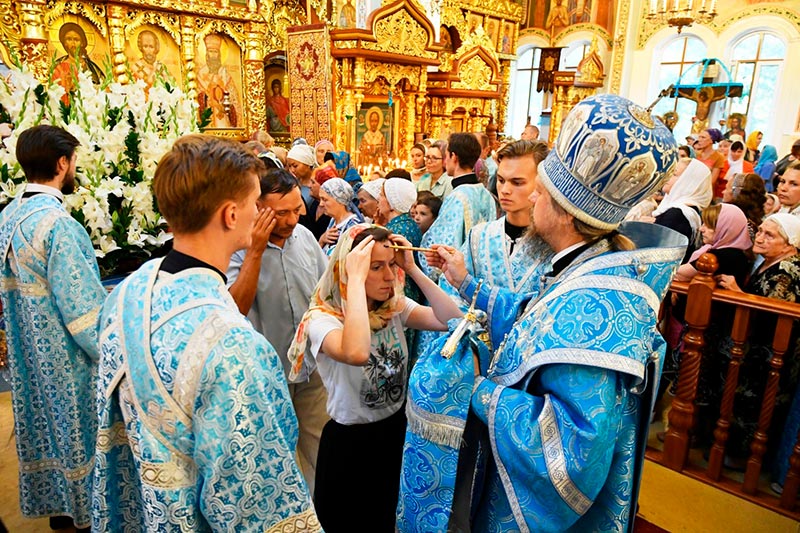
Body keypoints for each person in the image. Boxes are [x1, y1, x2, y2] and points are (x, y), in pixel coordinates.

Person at [397, 94, 686, 532]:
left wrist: (476, 389)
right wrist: (469, 284)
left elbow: (573, 456)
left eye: (541, 193)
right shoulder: (589, 268)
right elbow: (538, 318)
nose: (530, 202)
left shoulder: (595, 302)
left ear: (564, 212)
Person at [92, 135, 319, 531]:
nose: (260, 214)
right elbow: (254, 500)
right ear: (232, 214)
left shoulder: (127, 293)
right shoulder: (234, 346)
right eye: (254, 204)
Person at [286, 225, 463, 532]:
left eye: (391, 265)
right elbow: (355, 352)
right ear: (350, 269)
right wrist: (353, 280)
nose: (388, 276)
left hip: (394, 432)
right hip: (350, 446)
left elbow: (453, 321)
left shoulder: (392, 307)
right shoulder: (322, 319)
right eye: (375, 267)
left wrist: (412, 268)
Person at [0, 125, 106, 532]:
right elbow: (85, 315)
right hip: (68, 366)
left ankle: (64, 517)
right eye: (74, 159)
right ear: (63, 163)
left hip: (29, 362)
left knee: (51, 441)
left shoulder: (9, 216)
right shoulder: (58, 226)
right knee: (81, 450)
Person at [226, 167, 329, 494]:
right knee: (279, 452)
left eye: (297, 210)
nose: (291, 221)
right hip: (269, 371)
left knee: (320, 447)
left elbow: (326, 293)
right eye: (280, 213)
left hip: (313, 367)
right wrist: (255, 250)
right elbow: (234, 308)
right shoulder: (238, 247)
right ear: (257, 209)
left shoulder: (306, 238)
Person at [716, 214, 800, 466]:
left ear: (790, 244)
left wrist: (737, 293)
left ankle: (744, 459)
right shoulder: (769, 261)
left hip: (771, 355)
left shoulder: (788, 269)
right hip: (756, 351)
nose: (761, 238)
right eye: (760, 231)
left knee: (758, 406)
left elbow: (776, 315)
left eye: (770, 235)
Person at [418, 133, 496, 279]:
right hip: (479, 278)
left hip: (456, 281)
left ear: (454, 157)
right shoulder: (487, 196)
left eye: (446, 156)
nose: (444, 161)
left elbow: (440, 244)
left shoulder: (457, 197)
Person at [649, 158, 712, 263]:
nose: (667, 177)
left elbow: (656, 253)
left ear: (689, 182)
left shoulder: (677, 215)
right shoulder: (685, 210)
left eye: (674, 174)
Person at [674, 203, 752, 285]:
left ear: (726, 229)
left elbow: (678, 274)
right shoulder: (723, 250)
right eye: (703, 223)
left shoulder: (726, 256)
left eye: (709, 226)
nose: (701, 229)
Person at [379, 178, 423, 302]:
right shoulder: (408, 223)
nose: (378, 199)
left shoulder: (395, 231)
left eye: (382, 195)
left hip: (401, 298)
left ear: (391, 203)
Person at [196, 33, 240, 128]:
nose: (213, 55)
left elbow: (234, 99)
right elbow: (196, 96)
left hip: (223, 116)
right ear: (206, 54)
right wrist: (206, 96)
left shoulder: (225, 75)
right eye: (210, 51)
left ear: (219, 54)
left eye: (215, 52)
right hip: (208, 118)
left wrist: (226, 101)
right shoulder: (201, 74)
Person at [53, 22, 103, 97]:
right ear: (65, 43)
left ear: (82, 43)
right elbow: (54, 89)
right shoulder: (59, 65)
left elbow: (103, 85)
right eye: (69, 39)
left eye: (76, 40)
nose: (73, 43)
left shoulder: (92, 67)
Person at [318, 177, 363, 254]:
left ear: (339, 201)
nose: (321, 204)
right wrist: (322, 240)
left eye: (325, 199)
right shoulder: (333, 220)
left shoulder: (353, 226)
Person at [694, 128, 726, 196]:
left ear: (711, 140)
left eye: (703, 137)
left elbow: (712, 180)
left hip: (705, 192)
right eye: (699, 137)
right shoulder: (695, 154)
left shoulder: (718, 157)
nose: (699, 140)